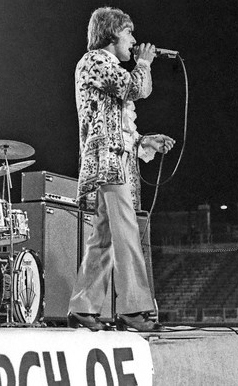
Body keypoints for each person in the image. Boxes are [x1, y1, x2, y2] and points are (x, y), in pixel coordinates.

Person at [68, 7, 175, 332]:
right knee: (127, 231)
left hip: (115, 155)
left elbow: (115, 122)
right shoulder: (94, 61)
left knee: (104, 236)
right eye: (129, 33)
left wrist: (145, 141)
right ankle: (135, 307)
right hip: (107, 159)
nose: (134, 40)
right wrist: (143, 62)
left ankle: (83, 306)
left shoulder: (109, 65)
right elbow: (135, 89)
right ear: (112, 33)